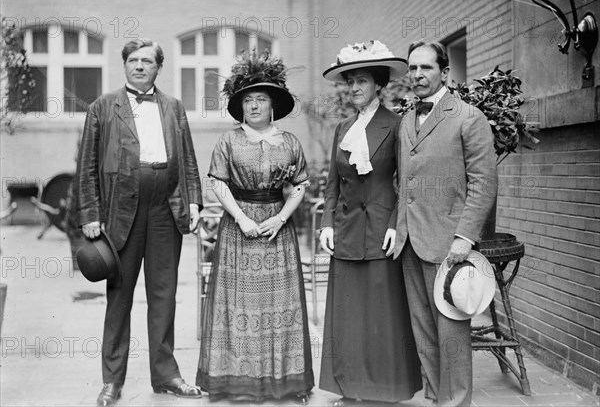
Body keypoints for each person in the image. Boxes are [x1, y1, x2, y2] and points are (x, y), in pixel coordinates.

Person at [75, 38, 203, 407]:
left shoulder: (173, 107)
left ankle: (166, 375)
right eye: (133, 60)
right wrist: (90, 214)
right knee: (120, 297)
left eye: (147, 61)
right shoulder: (103, 106)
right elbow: (86, 165)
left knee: (164, 295)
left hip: (166, 208)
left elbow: (189, 160)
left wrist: (194, 200)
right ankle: (112, 381)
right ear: (125, 65)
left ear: (158, 67)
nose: (140, 66)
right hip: (120, 213)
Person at [196, 50, 314, 404]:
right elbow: (218, 183)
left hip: (277, 230)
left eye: (261, 99)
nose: (254, 106)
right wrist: (243, 219)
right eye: (248, 100)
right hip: (240, 230)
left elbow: (299, 187)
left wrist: (280, 218)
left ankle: (284, 381)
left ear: (273, 104)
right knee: (241, 305)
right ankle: (239, 381)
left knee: (280, 305)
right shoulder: (229, 141)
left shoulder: (290, 142)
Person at [390, 41, 498, 406]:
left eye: (426, 68)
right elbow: (401, 179)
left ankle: (455, 402)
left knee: (451, 334)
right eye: (413, 68)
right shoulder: (407, 118)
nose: (418, 75)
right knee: (423, 334)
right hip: (410, 241)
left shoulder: (468, 116)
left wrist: (464, 236)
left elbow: (484, 182)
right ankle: (436, 399)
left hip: (448, 244)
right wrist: (399, 222)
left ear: (444, 72)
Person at [319, 41, 422, 406]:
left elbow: (406, 181)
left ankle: (384, 390)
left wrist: (397, 222)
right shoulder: (343, 128)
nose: (355, 88)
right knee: (350, 313)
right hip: (346, 231)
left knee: (380, 311)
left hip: (382, 230)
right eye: (351, 82)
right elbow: (333, 181)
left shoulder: (398, 125)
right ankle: (351, 387)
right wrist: (327, 223)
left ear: (378, 85)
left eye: (362, 80)